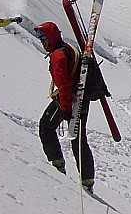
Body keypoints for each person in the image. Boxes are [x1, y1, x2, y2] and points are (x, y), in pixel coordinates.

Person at [34, 21, 95, 192]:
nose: (42, 42)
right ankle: (88, 180)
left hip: (68, 101)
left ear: (51, 37)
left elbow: (64, 85)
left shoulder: (58, 56)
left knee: (46, 127)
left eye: (44, 38)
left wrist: (66, 109)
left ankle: (57, 164)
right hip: (81, 99)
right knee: (78, 137)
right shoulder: (67, 48)